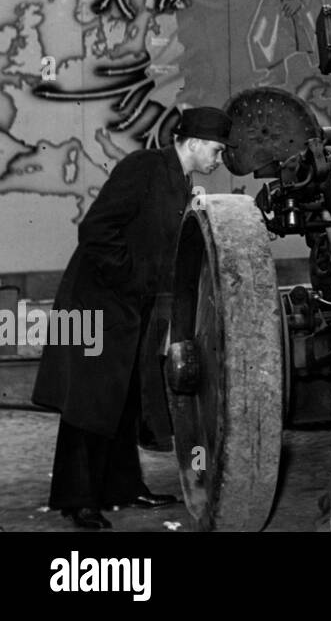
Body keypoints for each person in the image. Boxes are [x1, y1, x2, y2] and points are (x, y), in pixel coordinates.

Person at [32, 106, 232, 530]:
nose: (220, 159)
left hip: (127, 304)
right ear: (195, 142)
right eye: (217, 150)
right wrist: (131, 278)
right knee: (89, 402)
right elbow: (96, 229)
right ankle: (77, 501)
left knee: (122, 399)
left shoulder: (181, 181)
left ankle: (122, 488)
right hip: (95, 300)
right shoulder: (144, 166)